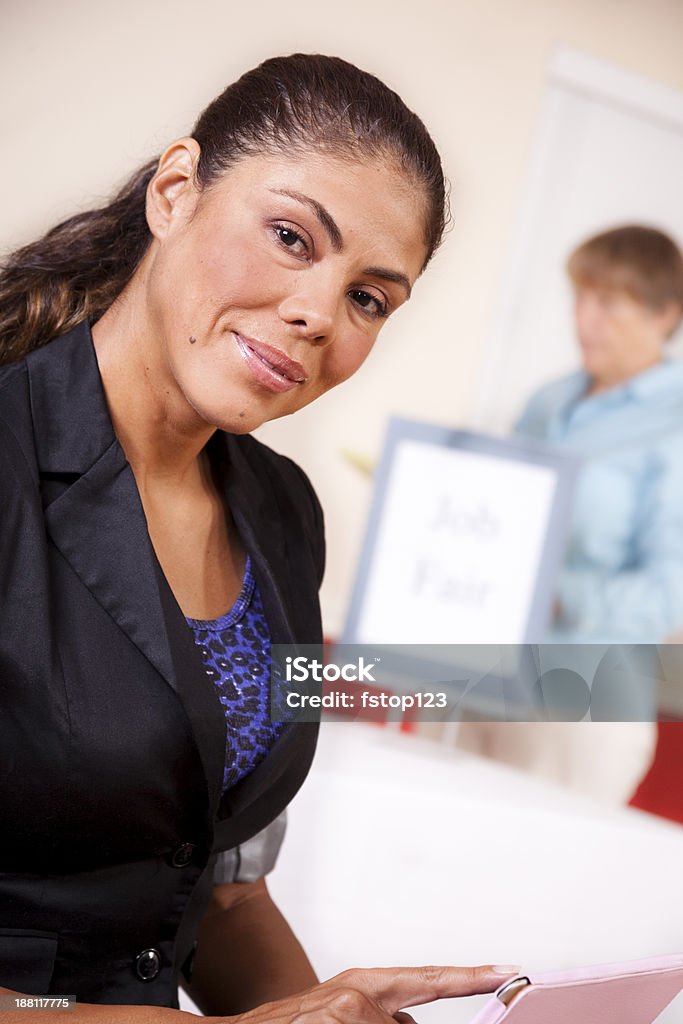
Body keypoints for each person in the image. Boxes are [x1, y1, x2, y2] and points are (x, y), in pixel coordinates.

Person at [0, 54, 519, 1022]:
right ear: (172, 192)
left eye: (369, 297)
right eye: (289, 237)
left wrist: (330, 1014)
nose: (317, 314)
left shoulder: (282, 515)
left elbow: (224, 891)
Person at [457, 225, 683, 802]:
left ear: (665, 314)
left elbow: (666, 595)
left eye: (607, 303)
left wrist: (556, 594)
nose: (584, 319)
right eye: (579, 297)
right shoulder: (551, 399)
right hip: (491, 672)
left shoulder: (674, 426)